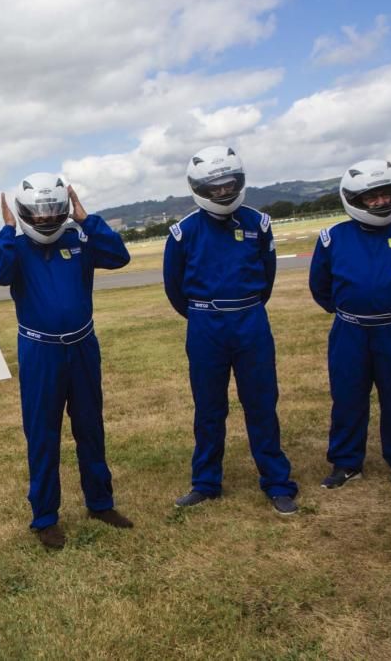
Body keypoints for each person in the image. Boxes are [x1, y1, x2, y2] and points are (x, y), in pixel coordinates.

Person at [0, 172, 134, 549]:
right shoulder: (15, 249)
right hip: (40, 352)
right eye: (39, 212)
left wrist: (86, 219)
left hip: (82, 346)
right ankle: (45, 517)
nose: (48, 219)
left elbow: (119, 256)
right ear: (23, 212)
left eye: (54, 210)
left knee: (90, 427)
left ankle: (101, 503)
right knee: (43, 434)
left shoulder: (79, 238)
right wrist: (6, 231)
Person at [163, 145, 299, 515]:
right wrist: (205, 314)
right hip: (205, 325)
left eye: (229, 185)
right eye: (214, 187)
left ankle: (276, 481)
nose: (223, 193)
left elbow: (266, 278)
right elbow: (175, 288)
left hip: (250, 320)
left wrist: (245, 306)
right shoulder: (182, 233)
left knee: (261, 404)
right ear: (198, 188)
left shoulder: (259, 223)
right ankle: (206, 482)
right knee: (208, 407)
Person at [309, 159, 391, 491]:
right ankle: (346, 462)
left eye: (387, 194)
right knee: (348, 396)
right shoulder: (331, 238)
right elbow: (321, 288)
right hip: (349, 332)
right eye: (372, 197)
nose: (381, 202)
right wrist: (353, 312)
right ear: (355, 200)